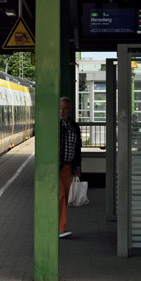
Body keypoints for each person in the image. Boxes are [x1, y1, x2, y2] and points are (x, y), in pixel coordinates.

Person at [58, 96, 82, 239]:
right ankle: (61, 228)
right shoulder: (56, 125)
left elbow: (78, 148)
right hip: (55, 167)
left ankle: (59, 224)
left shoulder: (74, 126)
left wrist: (77, 167)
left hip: (68, 166)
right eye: (60, 109)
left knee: (66, 196)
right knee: (60, 195)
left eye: (65, 109)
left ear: (70, 109)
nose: (62, 112)